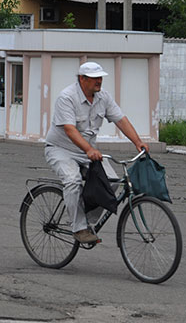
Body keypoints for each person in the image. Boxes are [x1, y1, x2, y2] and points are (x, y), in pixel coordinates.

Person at [45, 61, 148, 244]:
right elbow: (70, 130)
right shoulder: (67, 97)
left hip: (87, 152)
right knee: (73, 181)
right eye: (94, 78)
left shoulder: (103, 98)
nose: (99, 81)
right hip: (62, 150)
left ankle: (87, 222)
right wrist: (89, 149)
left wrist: (138, 142)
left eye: (100, 78)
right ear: (82, 79)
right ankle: (78, 228)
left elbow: (121, 120)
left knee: (112, 182)